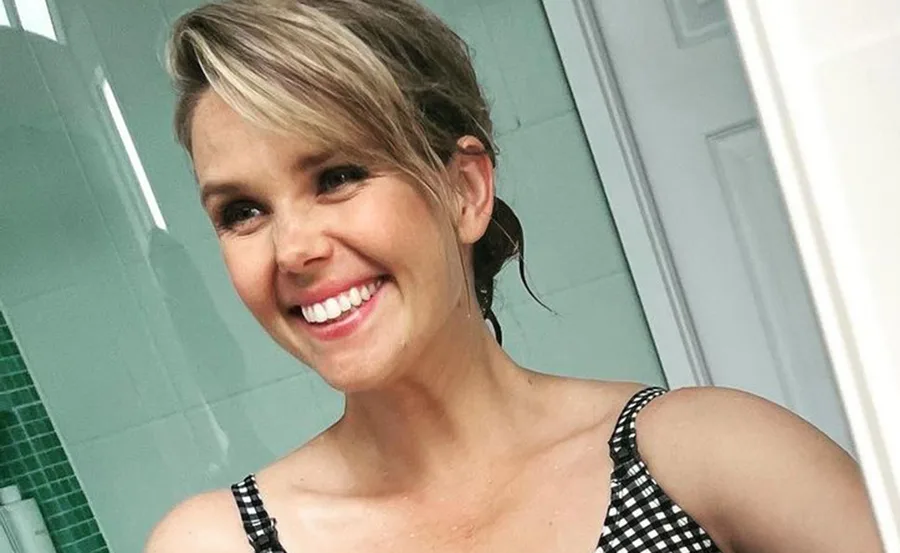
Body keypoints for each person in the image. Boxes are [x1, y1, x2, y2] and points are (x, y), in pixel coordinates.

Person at [146, 1, 883, 552]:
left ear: (465, 189)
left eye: (338, 175)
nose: (293, 248)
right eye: (243, 210)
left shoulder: (706, 458)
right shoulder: (219, 541)